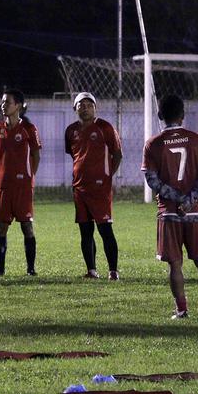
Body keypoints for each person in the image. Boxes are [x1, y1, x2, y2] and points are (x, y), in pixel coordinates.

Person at [143, 95, 198, 319]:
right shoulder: (197, 140)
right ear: (183, 116)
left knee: (175, 264)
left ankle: (182, 310)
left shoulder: (153, 144)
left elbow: (152, 180)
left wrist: (176, 198)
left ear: (160, 116)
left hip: (169, 212)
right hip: (194, 210)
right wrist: (189, 199)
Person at [64, 92, 122, 279]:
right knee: (85, 230)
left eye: (89, 104)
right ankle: (92, 270)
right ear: (75, 108)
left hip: (100, 188)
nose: (85, 107)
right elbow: (74, 155)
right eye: (81, 104)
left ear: (95, 108)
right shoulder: (71, 130)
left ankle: (113, 271)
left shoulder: (105, 127)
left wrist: (107, 176)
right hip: (80, 187)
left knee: (105, 229)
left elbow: (118, 154)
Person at [0, 87, 40, 276]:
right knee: (1, 226)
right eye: (2, 102)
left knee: (26, 225)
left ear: (18, 105)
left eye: (7, 102)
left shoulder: (29, 129)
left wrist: (29, 178)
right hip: (3, 185)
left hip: (22, 187)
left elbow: (36, 155)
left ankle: (31, 269)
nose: (3, 105)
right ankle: (0, 270)